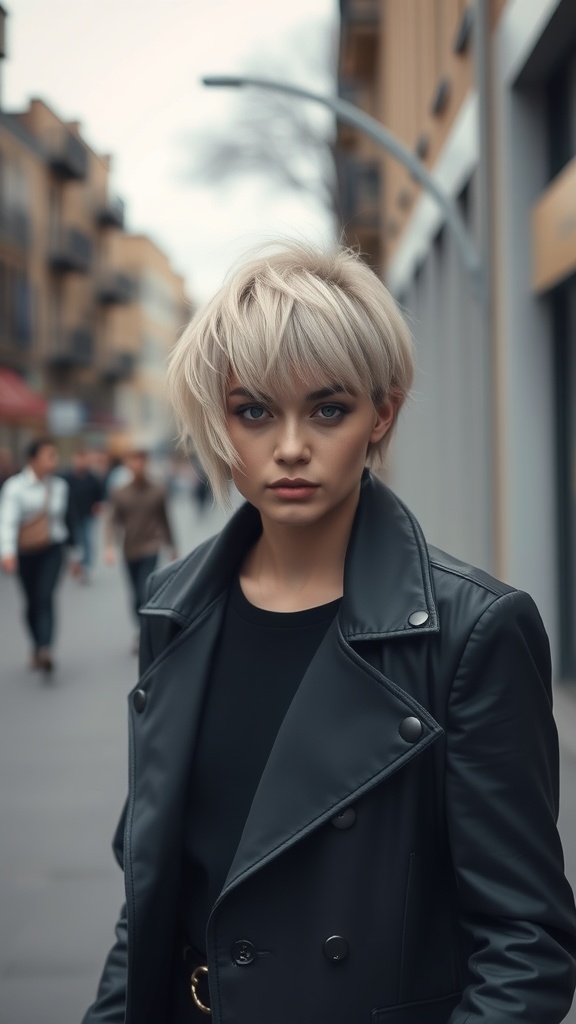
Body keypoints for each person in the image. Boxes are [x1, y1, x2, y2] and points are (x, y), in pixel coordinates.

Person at [83, 244, 576, 1024]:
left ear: (383, 412)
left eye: (327, 409)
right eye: (254, 411)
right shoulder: (174, 607)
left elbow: (525, 943)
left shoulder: (472, 631)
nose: (288, 447)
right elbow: (148, 898)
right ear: (220, 422)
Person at [0, 437, 79, 672]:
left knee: (45, 597)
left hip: (53, 549)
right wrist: (8, 552)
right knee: (31, 601)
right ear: (32, 459)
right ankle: (36, 645)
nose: (53, 461)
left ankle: (45, 648)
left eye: (54, 456)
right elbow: (8, 522)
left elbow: (69, 521)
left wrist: (76, 555)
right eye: (48, 456)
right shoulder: (15, 487)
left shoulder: (60, 486)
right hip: (25, 553)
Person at [104, 449, 177, 650]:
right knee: (134, 595)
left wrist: (172, 544)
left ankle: (147, 633)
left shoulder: (157, 490)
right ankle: (140, 629)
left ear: (146, 464)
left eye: (140, 461)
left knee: (144, 589)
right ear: (127, 465)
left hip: (150, 546)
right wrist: (109, 545)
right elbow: (112, 520)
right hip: (129, 548)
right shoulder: (119, 492)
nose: (137, 466)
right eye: (132, 462)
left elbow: (165, 519)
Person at [61, 445, 105, 583]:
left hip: (87, 515)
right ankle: (76, 564)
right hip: (71, 515)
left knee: (86, 540)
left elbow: (100, 496)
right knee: (74, 541)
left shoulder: (92, 478)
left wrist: (98, 506)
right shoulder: (67, 477)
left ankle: (86, 566)